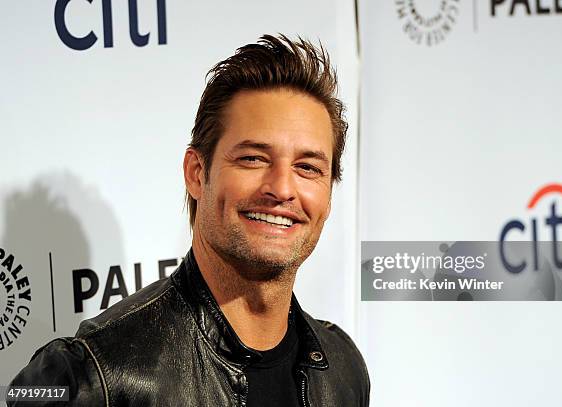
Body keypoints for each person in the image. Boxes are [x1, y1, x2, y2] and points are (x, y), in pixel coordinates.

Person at [8, 34, 369, 406]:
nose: (282, 188)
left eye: (307, 167)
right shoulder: (92, 375)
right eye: (252, 158)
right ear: (197, 173)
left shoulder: (341, 368)